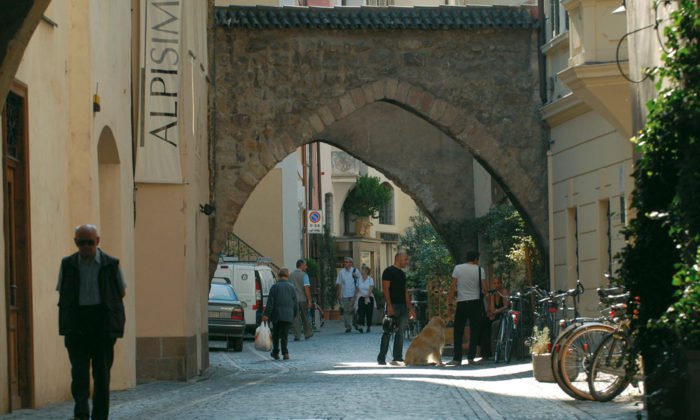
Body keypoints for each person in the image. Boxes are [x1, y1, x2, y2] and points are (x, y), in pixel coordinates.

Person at [57, 224, 126, 420]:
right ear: (75, 242)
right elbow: (63, 292)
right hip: (77, 323)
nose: (85, 247)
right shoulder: (68, 264)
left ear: (97, 241)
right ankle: (81, 413)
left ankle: (100, 415)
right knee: (79, 374)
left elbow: (121, 292)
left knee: (102, 375)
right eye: (81, 243)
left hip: (102, 324)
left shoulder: (110, 264)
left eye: (89, 242)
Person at [446, 250, 488, 366]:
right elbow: (485, 289)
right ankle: (471, 358)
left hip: (462, 303)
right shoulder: (480, 270)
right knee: (475, 330)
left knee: (458, 330)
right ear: (476, 259)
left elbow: (452, 287)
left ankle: (457, 358)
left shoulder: (458, 268)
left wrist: (450, 304)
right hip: (475, 303)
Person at [377, 251, 414, 365]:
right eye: (405, 259)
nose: (407, 262)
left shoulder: (402, 274)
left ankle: (397, 357)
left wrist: (410, 308)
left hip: (402, 306)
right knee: (387, 331)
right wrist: (389, 305)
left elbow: (405, 291)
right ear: (398, 259)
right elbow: (385, 289)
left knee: (400, 332)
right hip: (393, 305)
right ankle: (381, 357)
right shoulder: (388, 272)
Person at [262, 268, 298, 360]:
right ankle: (285, 353)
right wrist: (294, 314)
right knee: (284, 335)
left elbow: (270, 303)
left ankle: (276, 352)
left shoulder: (274, 287)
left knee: (276, 335)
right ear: (287, 275)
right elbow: (295, 302)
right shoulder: (292, 287)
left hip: (276, 315)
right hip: (288, 315)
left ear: (278, 275)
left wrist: (266, 315)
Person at [290, 259, 313, 341]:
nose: (306, 267)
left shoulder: (291, 275)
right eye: (305, 265)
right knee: (305, 316)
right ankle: (308, 333)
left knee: (295, 318)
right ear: (301, 265)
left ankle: (297, 335)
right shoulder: (304, 275)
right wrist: (309, 300)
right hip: (303, 299)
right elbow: (306, 288)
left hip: (294, 299)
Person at [336, 256, 361, 333]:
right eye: (345, 262)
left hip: (354, 293)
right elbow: (339, 284)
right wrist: (339, 294)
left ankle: (355, 323)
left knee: (354, 310)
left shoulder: (355, 271)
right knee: (346, 311)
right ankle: (348, 327)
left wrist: (356, 277)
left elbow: (360, 281)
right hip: (345, 294)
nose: (345, 263)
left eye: (347, 262)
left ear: (351, 263)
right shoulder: (341, 272)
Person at [489, 277, 510, 354]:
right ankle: (486, 352)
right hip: (496, 315)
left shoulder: (503, 292)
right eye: (494, 283)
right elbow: (492, 308)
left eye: (498, 283)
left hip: (504, 316)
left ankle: (495, 352)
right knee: (485, 324)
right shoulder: (493, 294)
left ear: (501, 284)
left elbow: (506, 306)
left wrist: (497, 311)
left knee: (494, 325)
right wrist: (493, 312)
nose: (496, 285)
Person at [355, 265, 375, 333]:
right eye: (362, 269)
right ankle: (360, 326)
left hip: (369, 297)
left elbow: (371, 288)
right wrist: (355, 297)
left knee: (369, 313)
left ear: (367, 271)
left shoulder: (370, 279)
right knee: (361, 312)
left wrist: (367, 295)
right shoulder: (358, 279)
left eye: (363, 270)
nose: (362, 271)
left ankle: (369, 326)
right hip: (361, 297)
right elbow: (357, 289)